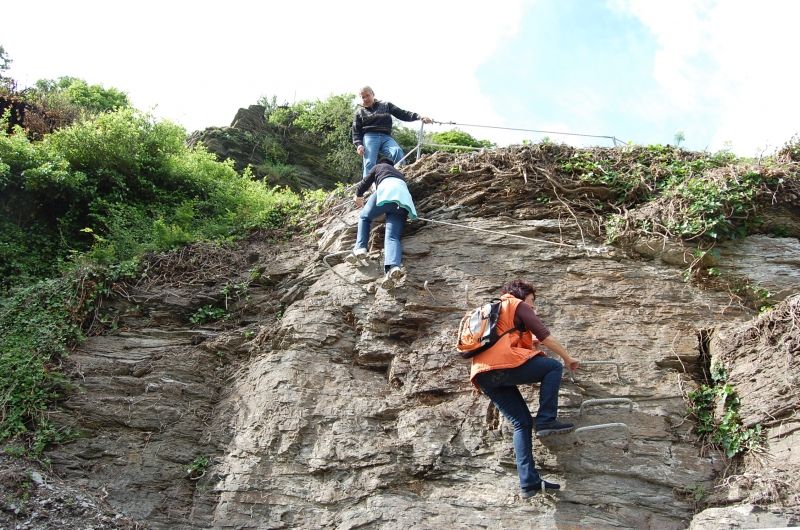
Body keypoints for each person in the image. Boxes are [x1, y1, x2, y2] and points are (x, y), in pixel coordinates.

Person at [470, 279, 580, 498]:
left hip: (483, 374)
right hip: (500, 366)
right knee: (553, 367)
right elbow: (545, 336)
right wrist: (568, 358)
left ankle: (528, 483)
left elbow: (506, 341)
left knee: (521, 423)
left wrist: (531, 343)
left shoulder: (494, 310)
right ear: (522, 296)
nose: (533, 306)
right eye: (532, 300)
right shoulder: (517, 305)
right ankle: (546, 420)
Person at [346, 157, 417, 290]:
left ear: (381, 163)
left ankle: (360, 248)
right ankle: (393, 267)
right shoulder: (399, 174)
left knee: (364, 217)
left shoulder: (379, 167)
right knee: (392, 237)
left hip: (386, 191)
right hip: (403, 201)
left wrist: (358, 195)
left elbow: (366, 181)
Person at [352, 86, 433, 177]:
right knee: (369, 162)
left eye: (367, 95)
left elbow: (402, 114)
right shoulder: (359, 112)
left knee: (397, 152)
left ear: (373, 94)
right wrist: (359, 145)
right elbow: (356, 131)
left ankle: (401, 176)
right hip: (370, 137)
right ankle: (368, 184)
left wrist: (419, 117)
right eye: (363, 97)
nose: (366, 99)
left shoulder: (386, 105)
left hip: (386, 137)